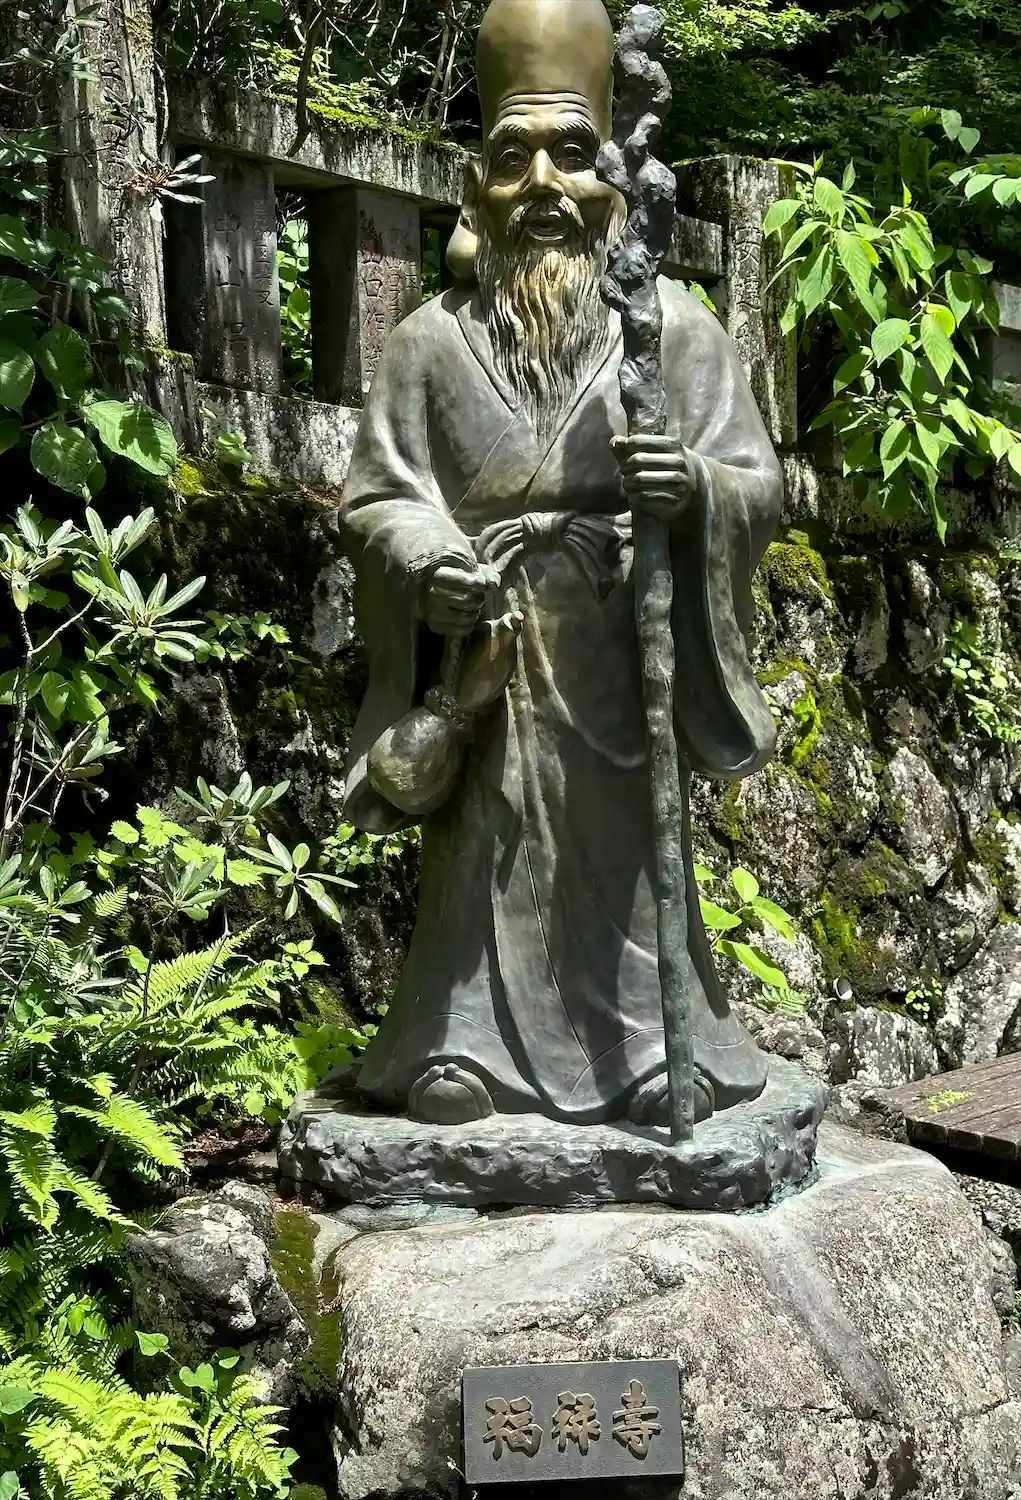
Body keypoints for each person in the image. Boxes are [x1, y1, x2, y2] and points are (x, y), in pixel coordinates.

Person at [339, 0, 783, 1129]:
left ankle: (652, 1053)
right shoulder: (428, 342)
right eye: (512, 156)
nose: (544, 184)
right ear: (474, 187)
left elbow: (756, 481)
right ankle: (461, 1046)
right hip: (488, 657)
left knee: (625, 858)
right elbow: (379, 494)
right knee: (485, 862)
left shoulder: (672, 331)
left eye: (574, 153)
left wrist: (692, 489)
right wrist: (431, 557)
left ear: (615, 176)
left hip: (620, 657)